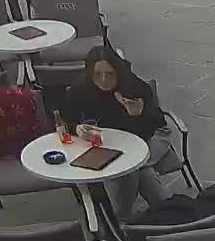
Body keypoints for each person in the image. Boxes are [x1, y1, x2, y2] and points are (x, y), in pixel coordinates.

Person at [65, 46, 176, 214]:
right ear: (89, 73)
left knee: (131, 168)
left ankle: (122, 217)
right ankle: (170, 213)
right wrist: (78, 128)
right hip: (117, 142)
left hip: (152, 135)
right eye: (97, 74)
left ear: (117, 71)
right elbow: (66, 121)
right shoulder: (81, 89)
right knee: (142, 172)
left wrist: (137, 115)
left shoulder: (133, 87)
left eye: (109, 74)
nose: (103, 80)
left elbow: (154, 126)